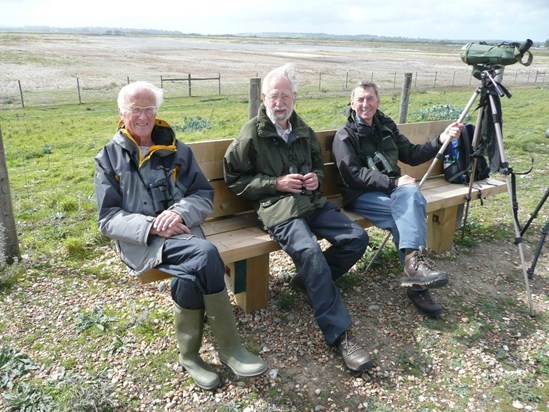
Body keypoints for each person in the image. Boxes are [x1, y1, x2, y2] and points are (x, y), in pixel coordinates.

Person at [94, 81, 268, 391]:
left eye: (149, 109)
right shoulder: (109, 158)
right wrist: (151, 225)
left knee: (190, 272)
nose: (143, 116)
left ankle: (189, 356)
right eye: (136, 109)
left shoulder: (176, 149)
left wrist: (180, 212)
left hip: (185, 231)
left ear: (156, 112)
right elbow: (108, 219)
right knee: (205, 255)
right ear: (122, 114)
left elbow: (202, 193)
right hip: (143, 242)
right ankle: (229, 348)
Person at [223, 64, 372, 372]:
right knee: (310, 252)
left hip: (311, 202)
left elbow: (317, 166)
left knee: (357, 238)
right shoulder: (252, 132)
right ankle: (340, 335)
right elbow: (234, 177)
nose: (280, 103)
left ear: (295, 99)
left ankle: (308, 282)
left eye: (286, 96)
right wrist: (275, 184)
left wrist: (316, 179)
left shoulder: (302, 130)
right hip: (278, 209)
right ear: (264, 97)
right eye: (274, 96)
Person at [331, 80, 463, 318]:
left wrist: (441, 140)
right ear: (352, 103)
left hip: (393, 191)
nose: (365, 104)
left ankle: (414, 271)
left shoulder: (386, 127)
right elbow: (353, 175)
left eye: (370, 98)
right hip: (361, 194)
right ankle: (417, 279)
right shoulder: (345, 136)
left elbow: (411, 155)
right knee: (409, 204)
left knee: (408, 203)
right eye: (360, 99)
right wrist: (394, 182)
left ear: (378, 101)